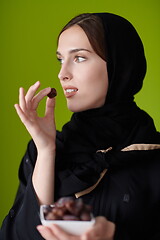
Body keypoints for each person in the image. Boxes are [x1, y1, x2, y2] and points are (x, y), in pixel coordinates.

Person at [0, 12, 160, 240]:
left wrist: (113, 236)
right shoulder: (42, 150)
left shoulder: (153, 157)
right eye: (60, 59)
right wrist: (46, 152)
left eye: (79, 58)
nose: (62, 73)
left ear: (120, 65)